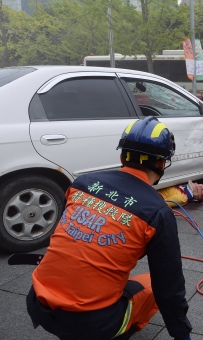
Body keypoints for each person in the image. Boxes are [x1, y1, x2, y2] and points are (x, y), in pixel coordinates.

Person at [26, 116, 192, 340]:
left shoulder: (81, 184)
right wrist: (181, 333)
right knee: (152, 288)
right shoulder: (157, 211)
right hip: (90, 324)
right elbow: (169, 286)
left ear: (122, 156)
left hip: (37, 303)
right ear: (162, 163)